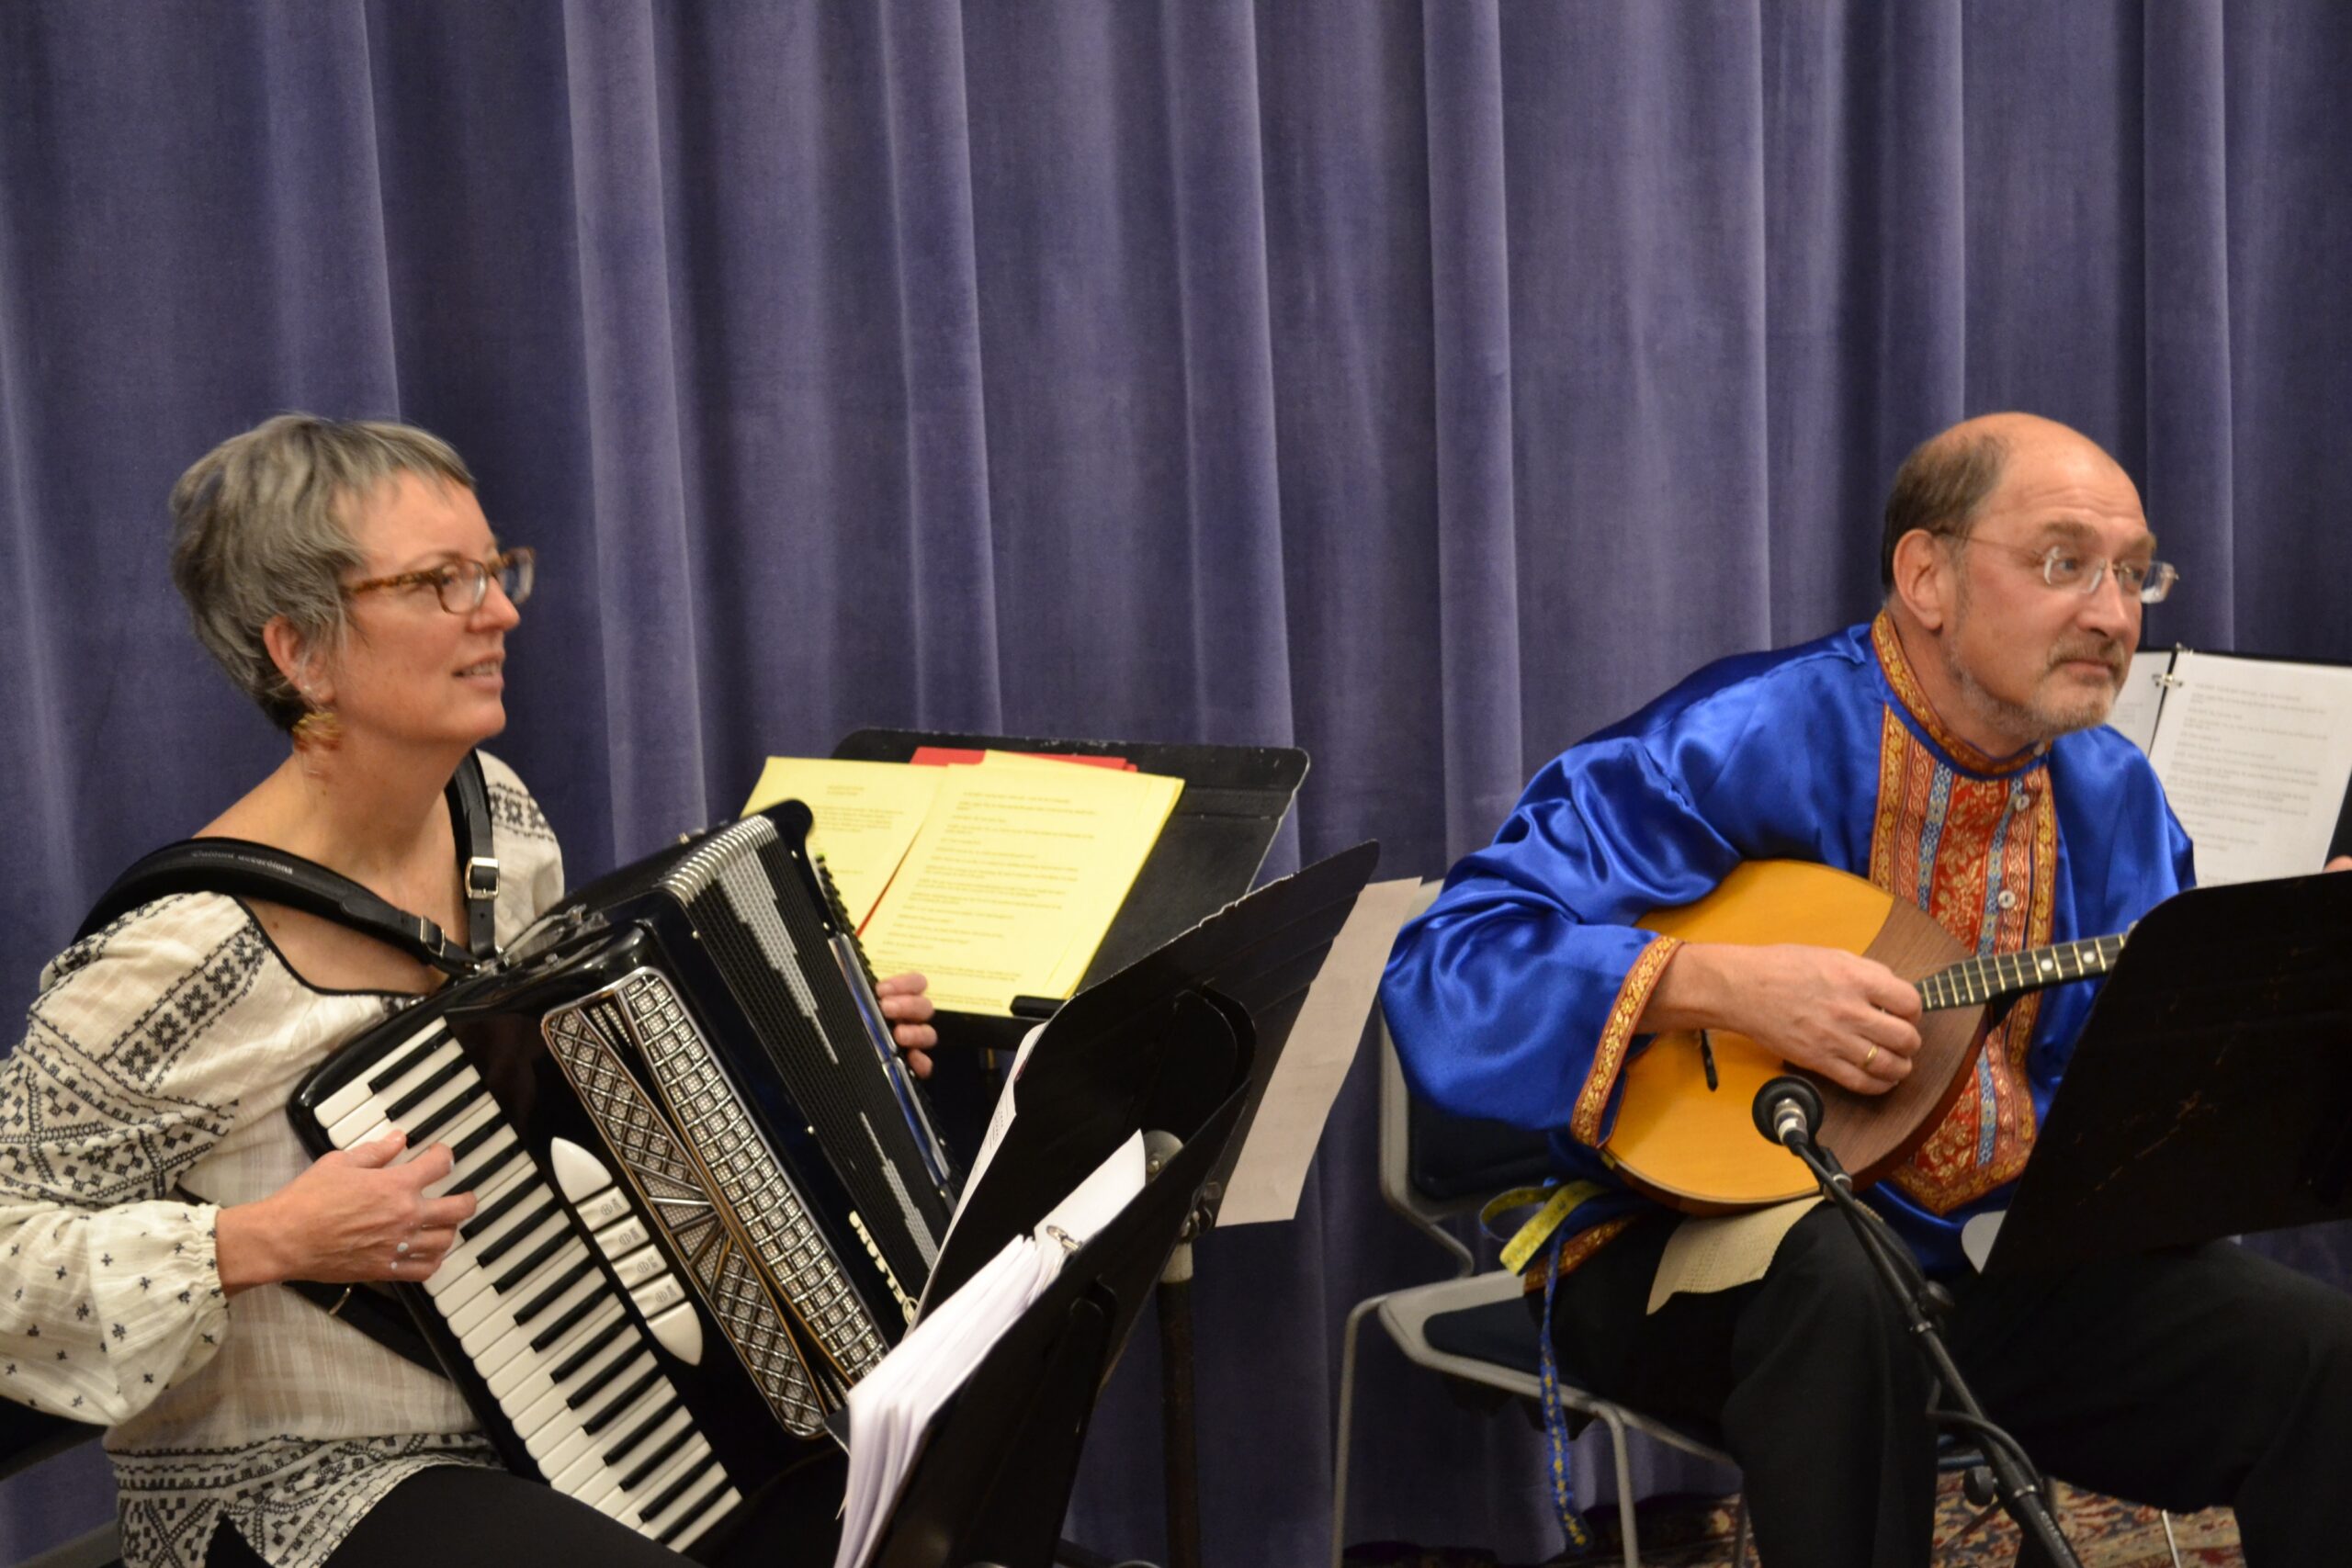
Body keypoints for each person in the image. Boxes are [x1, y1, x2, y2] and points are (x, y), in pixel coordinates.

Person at [1380, 412, 2352, 1566]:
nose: (2110, 612)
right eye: (2063, 564)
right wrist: (1712, 984)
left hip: (1994, 1260)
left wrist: (2285, 965)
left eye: (2134, 574)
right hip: (1678, 1248)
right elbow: (1451, 963)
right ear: (1925, 575)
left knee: (2319, 1360)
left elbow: (2144, 1100)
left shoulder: (2115, 794)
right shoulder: (1741, 737)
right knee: (1848, 1289)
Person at [0, 414, 939, 1568]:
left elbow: (566, 1099)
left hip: (572, 1418)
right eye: (438, 583)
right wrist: (260, 1238)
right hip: (295, 1487)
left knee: (898, 1516)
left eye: (493, 572)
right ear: (301, 650)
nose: (497, 612)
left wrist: (812, 1045)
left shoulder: (495, 820)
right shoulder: (177, 964)